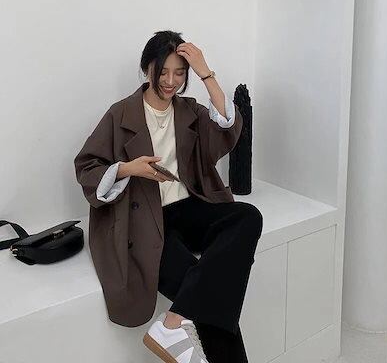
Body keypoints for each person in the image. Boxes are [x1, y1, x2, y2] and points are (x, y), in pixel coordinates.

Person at [74, 30, 263, 363]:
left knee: (248, 216)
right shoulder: (120, 114)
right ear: (147, 68)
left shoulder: (189, 110)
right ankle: (175, 326)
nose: (171, 81)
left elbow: (226, 128)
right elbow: (86, 167)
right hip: (145, 220)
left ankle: (173, 321)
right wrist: (128, 168)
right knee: (211, 295)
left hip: (188, 208)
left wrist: (206, 73)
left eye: (180, 73)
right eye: (162, 72)